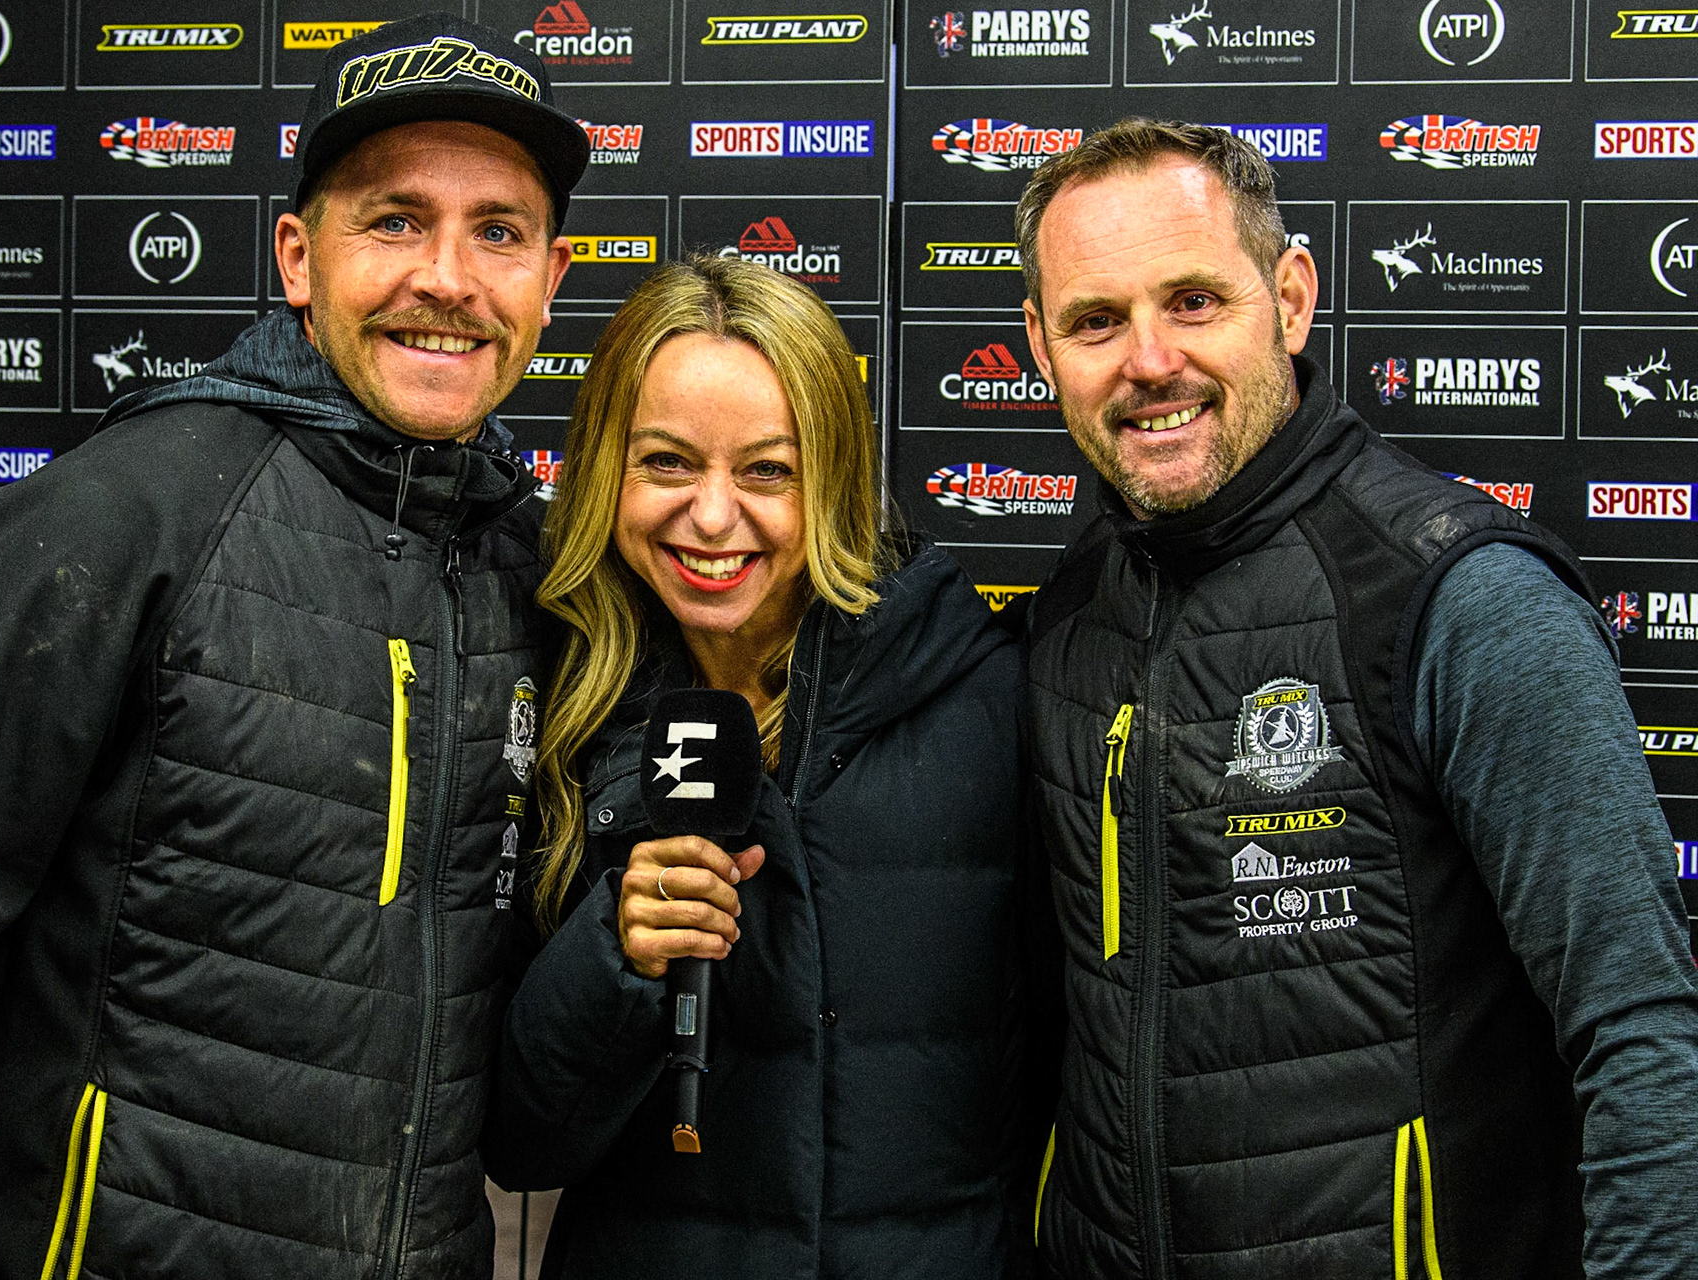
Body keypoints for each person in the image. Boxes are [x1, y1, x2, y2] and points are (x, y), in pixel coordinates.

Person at [0, 15, 584, 1279]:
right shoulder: (126, 512)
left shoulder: (536, 573)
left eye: (498, 230)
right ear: (297, 257)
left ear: (549, 279)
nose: (448, 275)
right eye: (393, 219)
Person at [1013, 118, 1698, 1279]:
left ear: (1289, 298)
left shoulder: (1464, 599)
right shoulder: (1064, 622)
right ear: (1038, 343)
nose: (1147, 360)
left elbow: (1642, 1031)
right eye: (1095, 320)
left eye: (1193, 301)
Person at [481, 255, 1042, 1278]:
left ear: (830, 476)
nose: (710, 515)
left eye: (766, 470)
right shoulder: (557, 711)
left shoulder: (991, 704)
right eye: (665, 462)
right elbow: (523, 1139)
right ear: (607, 466)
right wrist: (618, 951)